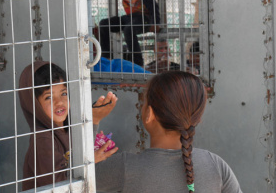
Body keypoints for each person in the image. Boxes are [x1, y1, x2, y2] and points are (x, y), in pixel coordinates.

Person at [94, 71, 242, 192]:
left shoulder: (124, 167)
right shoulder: (215, 165)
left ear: (149, 114)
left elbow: (75, 181)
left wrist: (93, 120)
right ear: (197, 116)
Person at [19, 62, 116, 190]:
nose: (59, 102)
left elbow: (80, 154)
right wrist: (91, 160)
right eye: (49, 97)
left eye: (64, 93)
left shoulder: (69, 125)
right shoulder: (42, 139)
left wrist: (94, 123)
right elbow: (60, 184)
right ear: (34, 104)